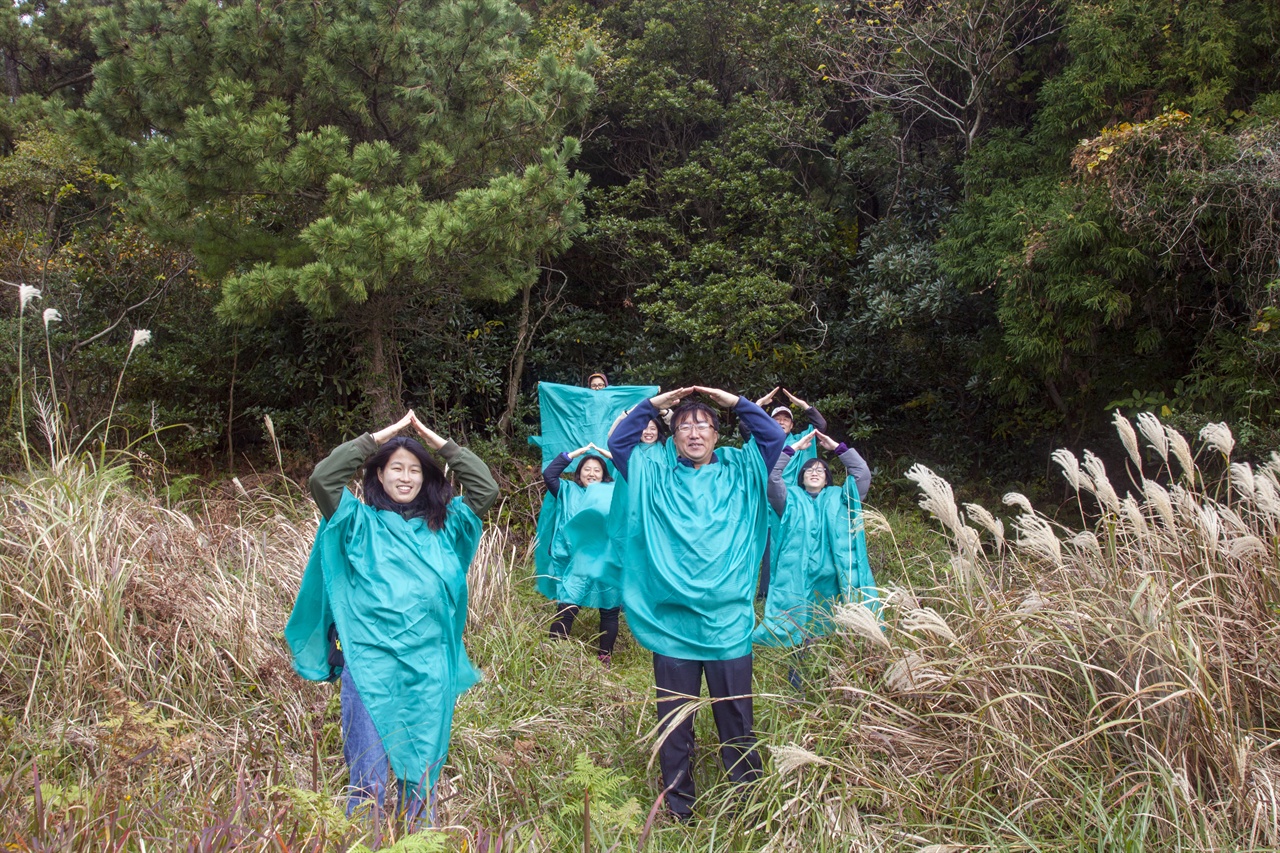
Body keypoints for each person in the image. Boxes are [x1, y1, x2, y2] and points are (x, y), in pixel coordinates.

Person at [285, 411, 498, 826]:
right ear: (378, 476)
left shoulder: (447, 525)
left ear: (426, 478)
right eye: (395, 468)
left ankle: (419, 841)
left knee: (421, 777)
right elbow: (323, 480)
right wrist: (378, 438)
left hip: (428, 669)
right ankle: (363, 840)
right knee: (368, 779)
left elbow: (485, 488)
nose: (405, 477)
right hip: (369, 667)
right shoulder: (355, 522)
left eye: (414, 470)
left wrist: (438, 443)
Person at [608, 386, 785, 822]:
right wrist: (656, 404)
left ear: (717, 434)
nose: (693, 432)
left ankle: (748, 801)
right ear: (671, 435)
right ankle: (678, 806)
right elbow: (618, 442)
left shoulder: (742, 471)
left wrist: (731, 401)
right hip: (672, 625)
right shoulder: (653, 472)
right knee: (674, 725)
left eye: (703, 424)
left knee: (737, 721)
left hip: (727, 624)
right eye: (684, 424)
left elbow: (772, 438)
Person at [754, 430, 876, 670]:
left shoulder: (842, 497)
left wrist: (838, 448)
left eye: (820, 470)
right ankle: (798, 676)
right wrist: (792, 450)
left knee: (829, 628)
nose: (814, 472)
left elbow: (861, 474)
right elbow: (771, 477)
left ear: (828, 478)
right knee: (795, 628)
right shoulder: (789, 499)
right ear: (801, 478)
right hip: (796, 578)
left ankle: (831, 675)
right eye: (809, 469)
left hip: (831, 580)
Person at [542, 442, 623, 664]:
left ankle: (604, 656)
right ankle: (554, 651)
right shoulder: (567, 490)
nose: (592, 473)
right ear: (579, 473)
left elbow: (631, 475)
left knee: (609, 608)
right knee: (568, 602)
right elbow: (549, 474)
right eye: (587, 469)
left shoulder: (615, 491)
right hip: (576, 560)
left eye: (597, 469)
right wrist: (576, 453)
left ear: (604, 474)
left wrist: (610, 455)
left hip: (608, 559)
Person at [745, 388, 828, 598]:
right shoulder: (762, 441)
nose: (781, 422)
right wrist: (758, 404)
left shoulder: (801, 439)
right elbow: (745, 427)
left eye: (786, 419)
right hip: (764, 503)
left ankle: (793, 591)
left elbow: (821, 426)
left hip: (793, 502)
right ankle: (764, 593)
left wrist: (803, 406)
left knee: (791, 548)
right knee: (766, 548)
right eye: (776, 419)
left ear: (792, 425)